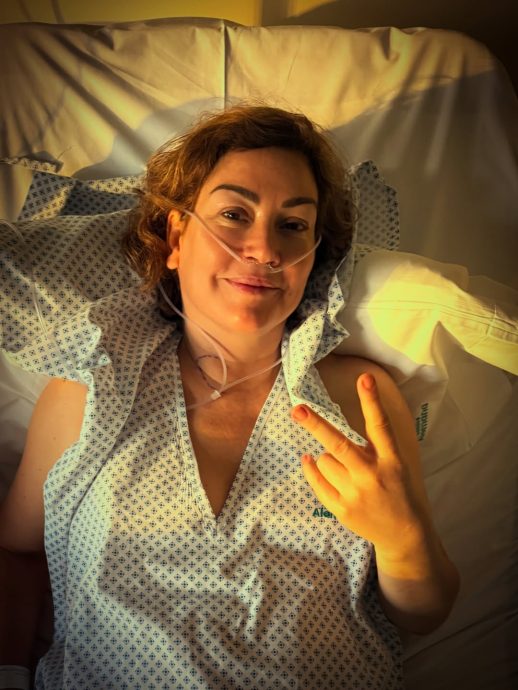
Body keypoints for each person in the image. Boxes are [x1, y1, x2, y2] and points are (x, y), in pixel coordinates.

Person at [0, 105, 459, 689]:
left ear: (313, 255)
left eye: (293, 225)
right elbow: (17, 552)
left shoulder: (358, 397)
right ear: (175, 237)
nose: (265, 249)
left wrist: (401, 538)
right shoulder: (87, 393)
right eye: (234, 214)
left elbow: (423, 614)